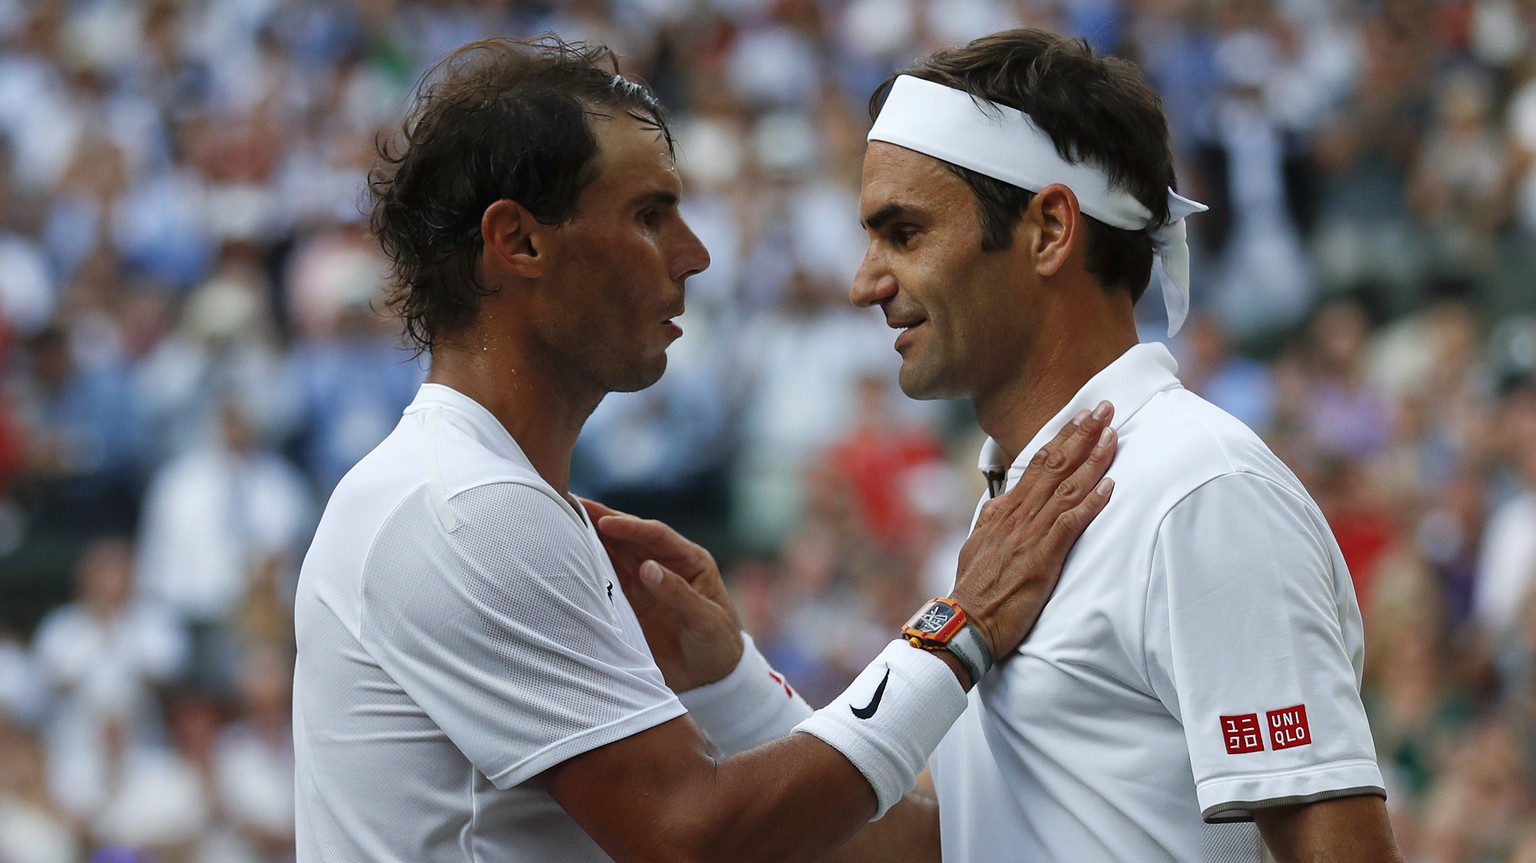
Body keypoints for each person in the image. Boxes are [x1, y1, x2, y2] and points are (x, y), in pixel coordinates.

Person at [291, 35, 1120, 862]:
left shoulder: (484, 496)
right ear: (519, 241)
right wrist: (958, 628)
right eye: (650, 216)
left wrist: (729, 680)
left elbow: (862, 845)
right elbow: (693, 836)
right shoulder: (470, 507)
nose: (696, 255)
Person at [618, 27, 1404, 863]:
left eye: (905, 233)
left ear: (1050, 230)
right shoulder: (1021, 510)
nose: (864, 282)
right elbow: (948, 843)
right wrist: (733, 679)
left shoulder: (1199, 489)